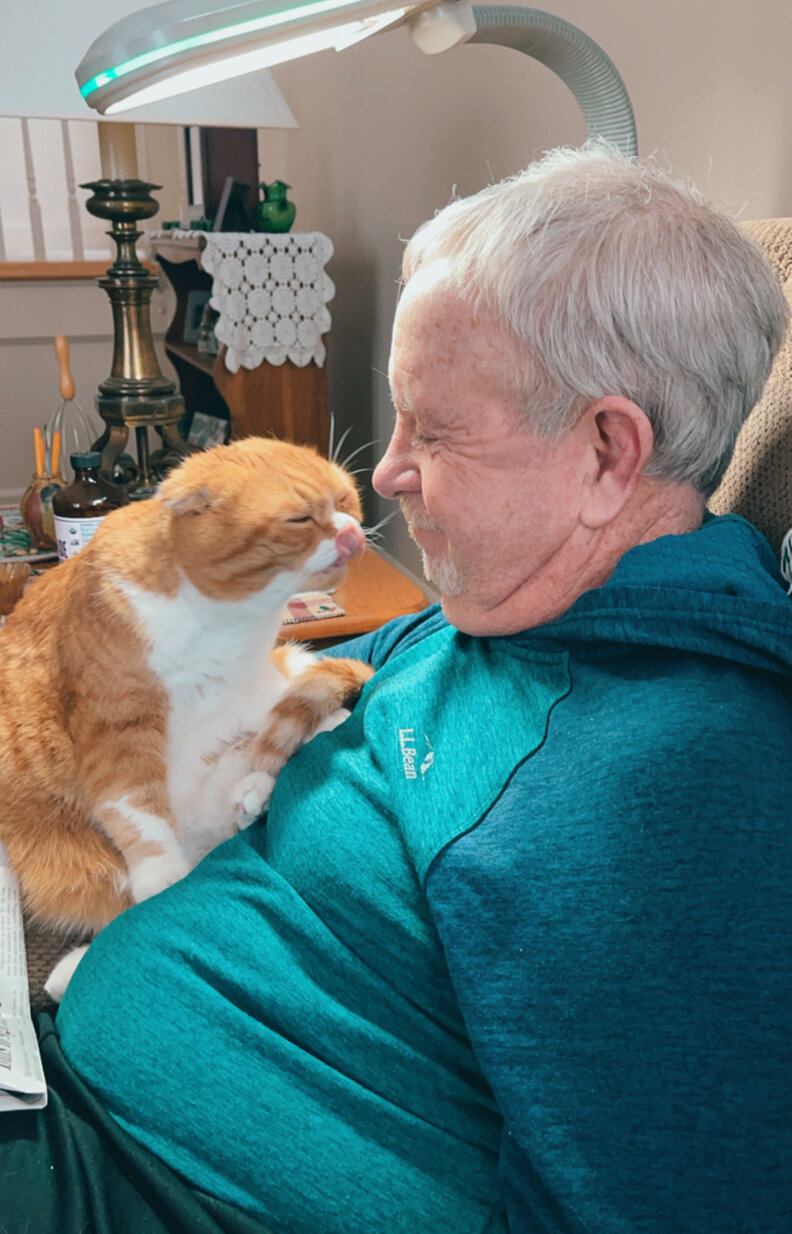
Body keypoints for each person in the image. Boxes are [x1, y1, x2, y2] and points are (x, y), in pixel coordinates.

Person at [2, 140, 792, 1233]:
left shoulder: (667, 795)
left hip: (134, 1181)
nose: (388, 470)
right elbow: (308, 700)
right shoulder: (513, 610)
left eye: (439, 429)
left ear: (609, 452)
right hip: (80, 1057)